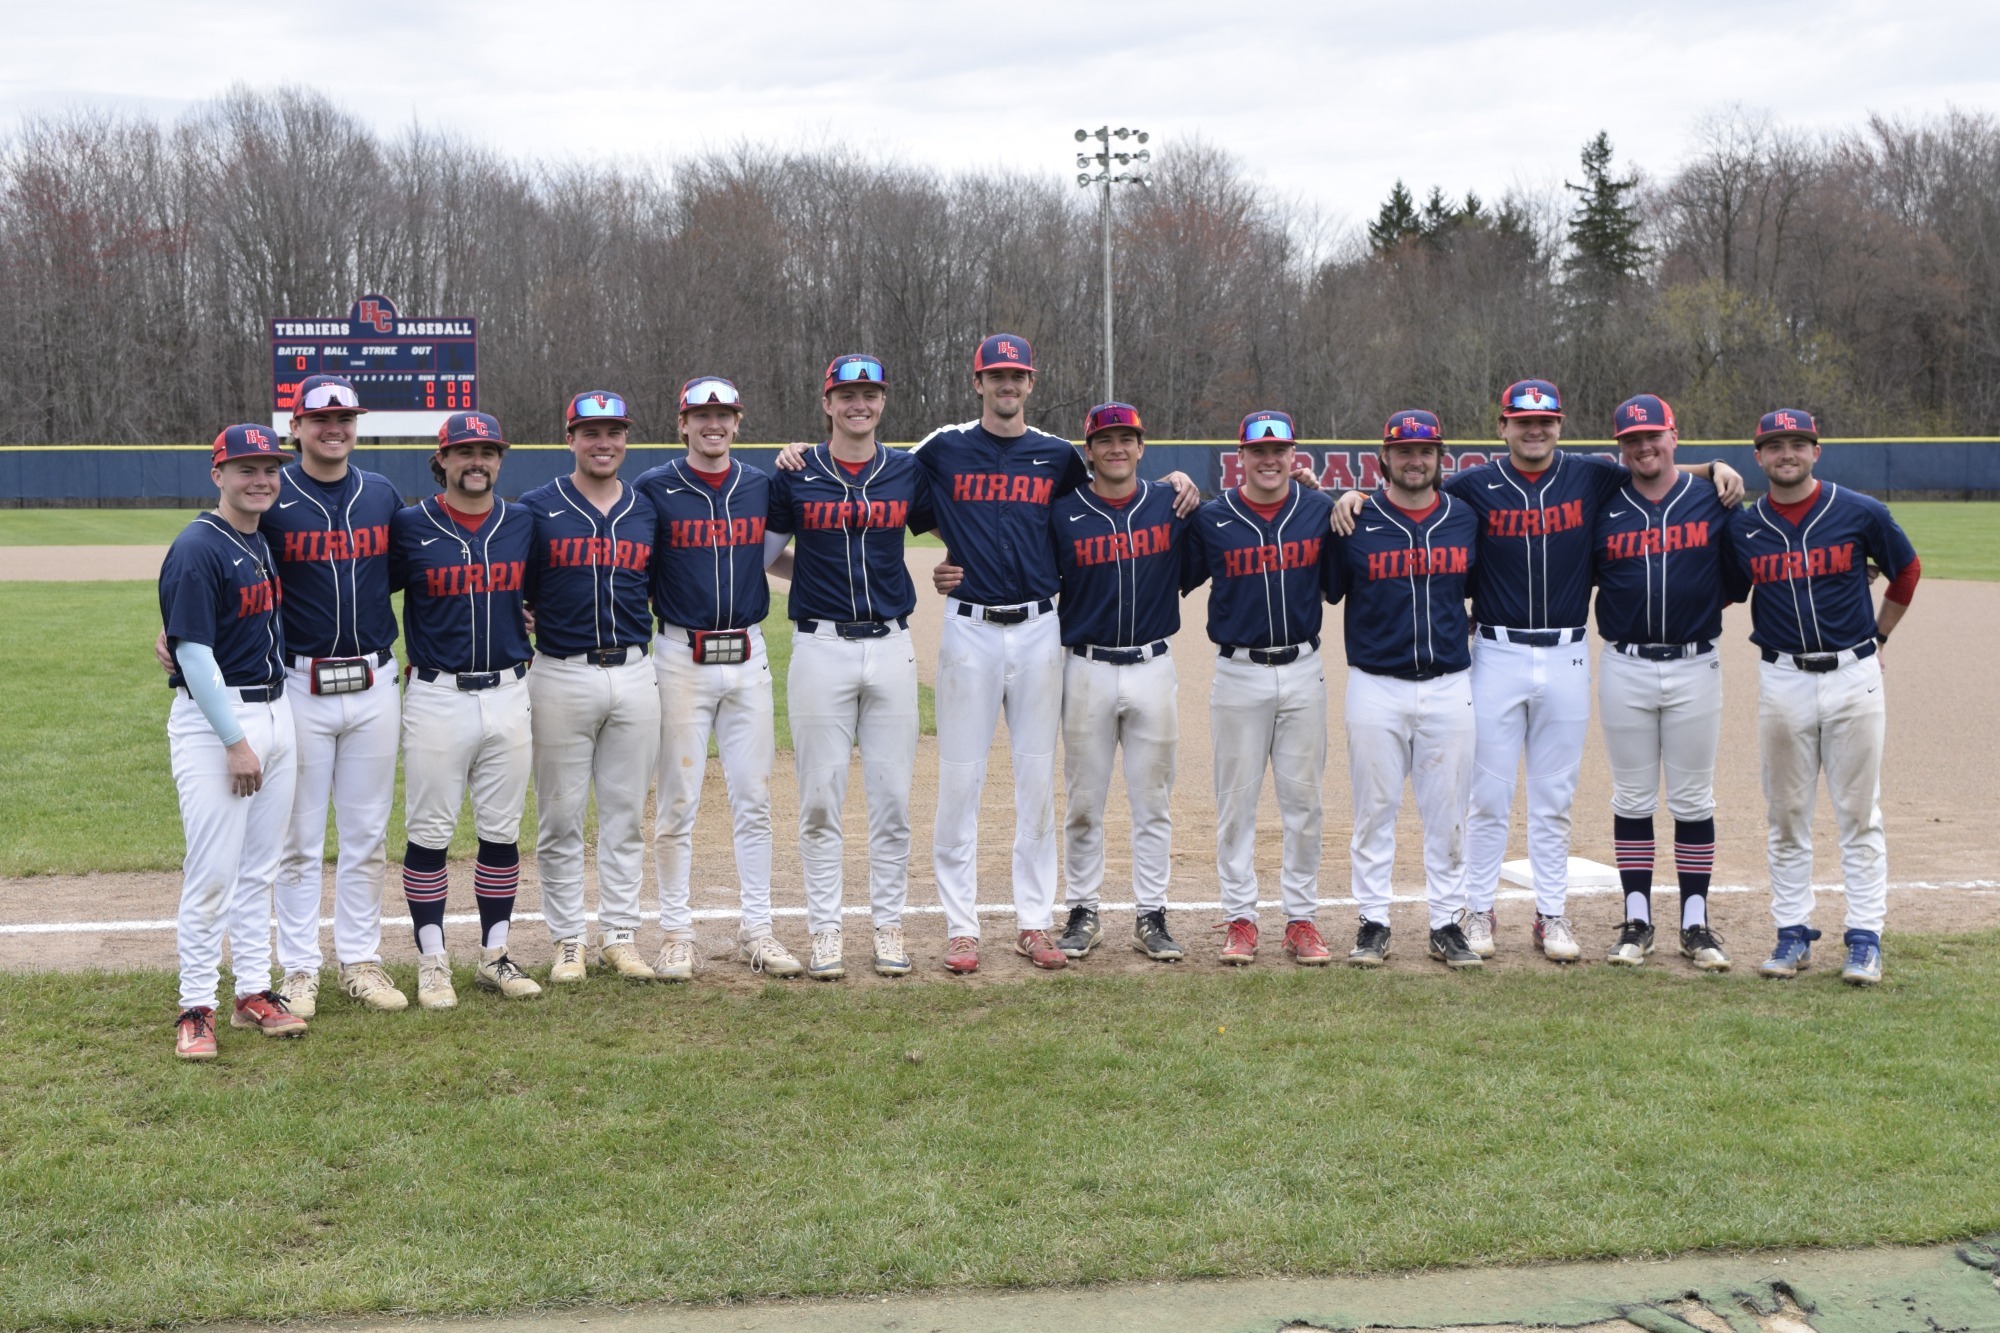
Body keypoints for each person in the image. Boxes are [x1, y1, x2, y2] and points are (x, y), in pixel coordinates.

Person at [1332, 380, 1741, 962]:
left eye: (1544, 420)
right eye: (1521, 421)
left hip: (1568, 653)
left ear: (1559, 425)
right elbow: (1410, 488)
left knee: (1554, 796)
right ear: (1502, 427)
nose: (1534, 429)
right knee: (1488, 795)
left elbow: (1654, 466)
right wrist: (1354, 495)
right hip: (1494, 653)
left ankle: (1551, 914)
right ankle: (1478, 911)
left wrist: (1714, 467)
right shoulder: (1473, 486)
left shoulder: (1592, 477)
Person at [893, 334, 1200, 973]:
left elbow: (1118, 483)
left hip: (1039, 630)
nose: (1007, 385)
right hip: (970, 627)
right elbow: (879, 475)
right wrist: (803, 455)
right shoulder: (943, 448)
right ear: (977, 382)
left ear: (1031, 383)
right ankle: (961, 927)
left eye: (1018, 375)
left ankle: (1034, 922)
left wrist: (1177, 477)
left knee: (1036, 780)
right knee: (961, 778)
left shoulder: (1058, 457)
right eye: (996, 375)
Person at [154, 374, 408, 1015]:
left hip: (376, 680)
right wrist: (178, 633)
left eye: (345, 418)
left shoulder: (380, 494)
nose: (334, 428)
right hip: (296, 683)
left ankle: (362, 959)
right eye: (320, 418)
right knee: (295, 839)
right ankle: (298, 969)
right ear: (296, 427)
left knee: (366, 833)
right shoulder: (271, 497)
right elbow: (210, 575)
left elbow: (414, 574)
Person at [1725, 409, 1920, 985]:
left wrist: (1879, 636)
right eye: (1774, 445)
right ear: (1758, 457)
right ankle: (1792, 935)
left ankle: (1864, 938)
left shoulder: (1860, 510)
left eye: (1798, 444)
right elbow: (1728, 590)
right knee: (1785, 814)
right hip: (1781, 678)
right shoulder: (1744, 526)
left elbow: (1905, 571)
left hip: (1852, 677)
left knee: (1859, 814)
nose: (1787, 453)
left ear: (1816, 451)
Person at [634, 377, 803, 980]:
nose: (713, 423)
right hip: (679, 655)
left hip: (749, 653)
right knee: (678, 800)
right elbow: (634, 567)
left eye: (723, 414)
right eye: (701, 414)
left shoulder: (760, 486)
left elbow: (766, 556)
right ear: (682, 423)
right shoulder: (653, 488)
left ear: (738, 422)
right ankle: (677, 932)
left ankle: (757, 928)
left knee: (754, 799)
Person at [762, 355, 922, 980]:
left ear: (882, 402)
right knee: (820, 800)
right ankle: (826, 932)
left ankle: (888, 926)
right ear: (827, 403)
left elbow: (962, 528)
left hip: (892, 647)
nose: (860, 403)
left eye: (870, 393)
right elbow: (763, 558)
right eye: (847, 394)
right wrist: (815, 576)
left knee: (892, 801)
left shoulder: (907, 469)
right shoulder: (796, 473)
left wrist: (954, 568)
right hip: (820, 646)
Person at [160, 423, 305, 1058]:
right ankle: (196, 1005)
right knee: (214, 870)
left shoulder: (258, 539)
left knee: (259, 869)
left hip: (277, 713)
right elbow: (192, 654)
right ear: (218, 474)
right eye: (246, 469)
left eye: (270, 469)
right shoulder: (198, 545)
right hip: (220, 723)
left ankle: (254, 990)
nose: (261, 480)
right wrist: (234, 741)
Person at [389, 410, 542, 1008]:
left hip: (510, 690)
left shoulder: (522, 522)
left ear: (500, 460)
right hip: (436, 694)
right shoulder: (409, 525)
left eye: (488, 452)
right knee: (429, 833)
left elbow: (556, 587)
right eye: (465, 451)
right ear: (442, 460)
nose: (477, 461)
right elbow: (360, 588)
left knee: (502, 832)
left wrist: (532, 612)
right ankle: (432, 961)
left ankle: (494, 955)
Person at [1324, 410, 1482, 969]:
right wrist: (1339, 498)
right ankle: (1373, 921)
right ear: (1383, 458)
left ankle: (1446, 923)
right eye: (1404, 450)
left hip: (1448, 685)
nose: (1415, 459)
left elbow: (1483, 590)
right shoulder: (1353, 521)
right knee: (1375, 811)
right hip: (1375, 685)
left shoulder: (1465, 519)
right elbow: (1331, 590)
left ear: (1441, 458)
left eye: (1426, 450)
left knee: (1449, 814)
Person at [1181, 410, 1337, 967]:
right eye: (1258, 452)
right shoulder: (1212, 519)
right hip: (1238, 672)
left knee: (1304, 802)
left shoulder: (1319, 511)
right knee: (1236, 802)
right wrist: (1171, 485)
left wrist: (1352, 498)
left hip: (1303, 670)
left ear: (1293, 456)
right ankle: (1241, 918)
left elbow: (1348, 575)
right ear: (1239, 457)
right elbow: (1170, 576)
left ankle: (1301, 919)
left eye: (1279, 451)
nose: (1269, 461)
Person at [521, 391, 662, 984]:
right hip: (560, 672)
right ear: (570, 437)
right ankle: (567, 940)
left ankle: (621, 935)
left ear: (626, 437)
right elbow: (504, 581)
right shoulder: (536, 508)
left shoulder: (646, 508)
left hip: (635, 672)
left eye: (614, 432)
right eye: (591, 432)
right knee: (560, 817)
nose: (604, 443)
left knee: (626, 815)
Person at [1590, 395, 1734, 971]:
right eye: (1631, 439)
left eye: (1653, 435)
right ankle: (1637, 919)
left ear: (1675, 435)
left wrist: (1715, 468)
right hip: (1623, 664)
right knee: (1632, 798)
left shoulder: (1713, 499)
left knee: (1694, 799)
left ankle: (1696, 923)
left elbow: (1755, 559)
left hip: (1696, 663)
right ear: (1619, 446)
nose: (1643, 447)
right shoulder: (1604, 499)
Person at [1050, 403, 1192, 963]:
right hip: (1085, 666)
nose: (1115, 448)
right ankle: (1083, 911)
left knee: (1152, 800)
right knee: (1083, 800)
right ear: (1088, 451)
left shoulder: (1170, 504)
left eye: (1125, 438)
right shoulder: (1062, 514)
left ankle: (1151, 915)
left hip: (1154, 665)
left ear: (1141, 446)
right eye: (1104, 439)